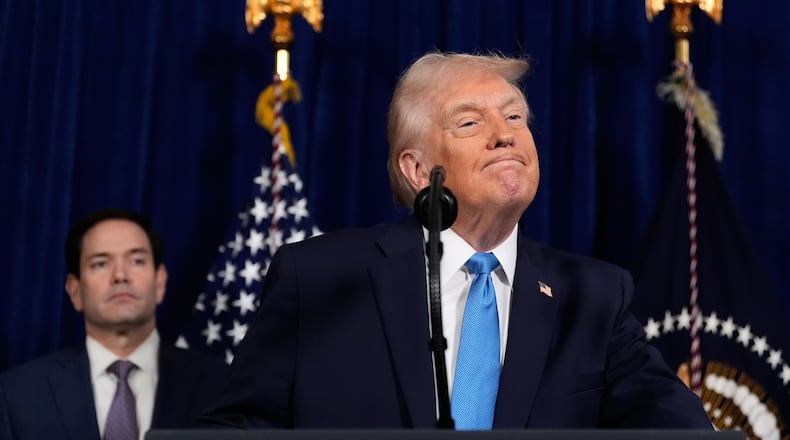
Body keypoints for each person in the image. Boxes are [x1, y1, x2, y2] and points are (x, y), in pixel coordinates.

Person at [198, 51, 712, 429]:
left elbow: (680, 428)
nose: (504, 133)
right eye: (470, 121)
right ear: (418, 169)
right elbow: (239, 428)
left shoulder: (595, 297)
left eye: (514, 117)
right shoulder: (319, 279)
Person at [0, 208, 227, 440]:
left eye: (137, 261)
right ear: (74, 289)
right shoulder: (18, 394)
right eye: (100, 263)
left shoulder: (221, 386)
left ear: (160, 282)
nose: (120, 275)